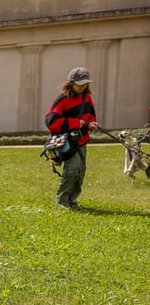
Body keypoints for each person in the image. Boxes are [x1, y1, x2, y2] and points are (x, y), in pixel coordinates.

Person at [45, 67, 98, 210]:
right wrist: (74, 123)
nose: (82, 86)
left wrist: (92, 123)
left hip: (83, 140)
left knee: (81, 171)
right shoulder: (62, 100)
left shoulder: (87, 98)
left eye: (85, 83)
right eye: (79, 84)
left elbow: (91, 114)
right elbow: (51, 123)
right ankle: (62, 200)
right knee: (73, 169)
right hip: (69, 142)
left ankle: (72, 200)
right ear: (71, 83)